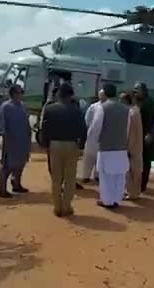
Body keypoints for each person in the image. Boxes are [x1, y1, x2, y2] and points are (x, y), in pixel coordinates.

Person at [41, 83, 87, 217]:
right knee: (70, 178)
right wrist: (81, 145)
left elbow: (45, 129)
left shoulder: (50, 109)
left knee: (56, 178)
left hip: (55, 145)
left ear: (59, 94)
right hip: (71, 145)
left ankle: (57, 207)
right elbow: (83, 130)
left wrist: (46, 144)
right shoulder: (77, 110)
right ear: (71, 95)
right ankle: (67, 206)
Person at [86, 83, 129, 208]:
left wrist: (91, 142)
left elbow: (96, 127)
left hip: (106, 147)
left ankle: (107, 200)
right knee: (119, 175)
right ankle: (117, 199)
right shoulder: (126, 109)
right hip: (121, 147)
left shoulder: (102, 108)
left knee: (105, 176)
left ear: (104, 93)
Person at [0, 84, 32, 198]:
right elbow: (2, 126)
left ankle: (16, 185)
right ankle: (2, 189)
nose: (21, 94)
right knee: (7, 166)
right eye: (19, 92)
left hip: (23, 141)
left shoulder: (22, 106)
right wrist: (5, 140)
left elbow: (27, 122)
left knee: (20, 164)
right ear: (13, 94)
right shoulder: (6, 106)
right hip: (11, 141)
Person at [80, 89, 107, 184]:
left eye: (103, 95)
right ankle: (85, 176)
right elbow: (87, 120)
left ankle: (97, 176)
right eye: (101, 95)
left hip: (104, 137)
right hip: (92, 136)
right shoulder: (94, 107)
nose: (102, 96)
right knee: (88, 157)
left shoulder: (108, 107)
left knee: (100, 158)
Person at [134, 82, 154, 192]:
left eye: (137, 89)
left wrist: (150, 133)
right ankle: (136, 183)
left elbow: (152, 119)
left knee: (145, 160)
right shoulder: (137, 102)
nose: (135, 91)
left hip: (146, 134)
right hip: (137, 134)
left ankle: (142, 185)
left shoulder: (149, 102)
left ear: (143, 90)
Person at [122, 91, 143, 200]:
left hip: (132, 146)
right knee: (136, 169)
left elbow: (129, 132)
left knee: (131, 170)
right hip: (137, 145)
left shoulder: (131, 113)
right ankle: (135, 192)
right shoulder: (136, 111)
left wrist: (128, 148)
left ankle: (132, 193)